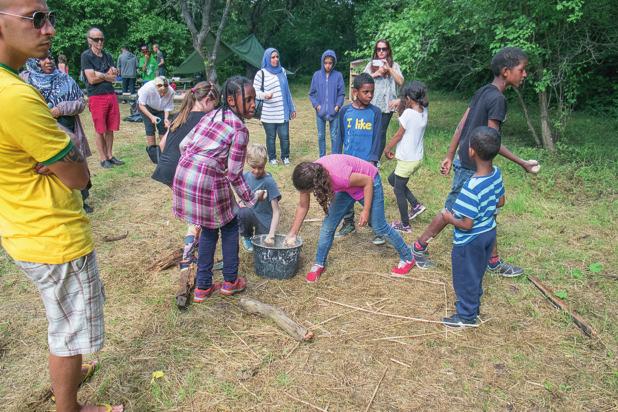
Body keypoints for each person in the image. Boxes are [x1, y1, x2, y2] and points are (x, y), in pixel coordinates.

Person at [0, 1, 122, 410]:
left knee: (62, 318)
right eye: (37, 19)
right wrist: (65, 147)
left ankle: (68, 371)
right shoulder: (15, 96)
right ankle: (69, 406)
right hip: (52, 235)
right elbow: (79, 176)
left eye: (50, 18)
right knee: (69, 330)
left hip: (21, 227)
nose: (49, 29)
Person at [412, 47, 538, 277]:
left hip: (467, 159)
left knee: (488, 212)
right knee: (452, 210)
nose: (525, 74)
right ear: (506, 71)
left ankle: (493, 261)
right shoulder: (498, 99)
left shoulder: (483, 91)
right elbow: (491, 140)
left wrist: (450, 155)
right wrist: (523, 163)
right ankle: (418, 247)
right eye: (522, 69)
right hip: (473, 166)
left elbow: (462, 124)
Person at [172, 76, 267, 301]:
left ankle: (203, 287)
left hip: (184, 171)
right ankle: (230, 281)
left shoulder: (212, 114)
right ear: (233, 101)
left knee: (209, 228)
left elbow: (183, 144)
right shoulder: (240, 130)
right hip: (207, 179)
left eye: (255, 99)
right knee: (231, 224)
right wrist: (250, 199)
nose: (254, 104)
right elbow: (234, 174)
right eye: (249, 99)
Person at [285, 154, 416, 283]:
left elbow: (367, 181)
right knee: (328, 226)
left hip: (369, 182)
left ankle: (408, 257)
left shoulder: (337, 176)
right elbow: (303, 206)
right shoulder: (310, 175)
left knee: (379, 226)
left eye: (307, 191)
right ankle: (319, 264)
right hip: (346, 188)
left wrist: (365, 211)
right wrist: (293, 233)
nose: (305, 193)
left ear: (314, 185)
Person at [440, 127, 505, 327]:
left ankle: (466, 316)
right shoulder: (496, 174)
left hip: (470, 240)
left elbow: (466, 224)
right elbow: (500, 202)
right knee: (476, 272)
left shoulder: (471, 187)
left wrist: (449, 218)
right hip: (488, 233)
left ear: (471, 152)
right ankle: (473, 305)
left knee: (465, 276)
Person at [152, 81, 220, 269]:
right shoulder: (204, 120)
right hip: (179, 171)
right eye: (215, 103)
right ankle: (187, 259)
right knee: (197, 216)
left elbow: (163, 145)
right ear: (207, 100)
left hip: (165, 168)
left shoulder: (181, 115)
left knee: (194, 214)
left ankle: (191, 252)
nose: (215, 108)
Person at [21, 54, 95, 214]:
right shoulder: (24, 81)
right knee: (48, 167)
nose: (48, 61)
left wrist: (60, 109)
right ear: (33, 62)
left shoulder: (65, 79)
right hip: (40, 131)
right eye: (42, 59)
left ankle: (81, 200)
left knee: (72, 163)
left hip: (68, 127)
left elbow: (80, 102)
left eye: (50, 58)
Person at [332, 73, 384, 245]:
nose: (369, 95)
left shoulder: (376, 113)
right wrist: (335, 157)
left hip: (367, 164)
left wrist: (373, 159)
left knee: (373, 196)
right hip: (347, 163)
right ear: (355, 92)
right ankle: (348, 223)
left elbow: (378, 138)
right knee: (345, 192)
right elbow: (339, 136)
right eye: (365, 92)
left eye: (371, 92)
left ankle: (377, 229)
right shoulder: (345, 111)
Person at [383, 80, 429, 232]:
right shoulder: (424, 110)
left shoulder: (408, 113)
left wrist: (387, 148)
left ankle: (405, 225)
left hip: (407, 159)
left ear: (408, 98)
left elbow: (398, 135)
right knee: (392, 179)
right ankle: (415, 205)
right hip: (417, 158)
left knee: (398, 190)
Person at [81, 27, 124, 169]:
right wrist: (105, 75)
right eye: (96, 39)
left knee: (110, 128)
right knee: (100, 129)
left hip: (110, 94)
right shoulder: (86, 56)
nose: (100, 42)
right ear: (89, 40)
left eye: (102, 39)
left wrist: (100, 74)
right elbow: (91, 80)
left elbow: (114, 78)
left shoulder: (107, 55)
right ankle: (102, 158)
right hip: (96, 96)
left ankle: (110, 155)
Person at [363, 39, 404, 164]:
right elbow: (361, 80)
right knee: (369, 130)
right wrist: (376, 73)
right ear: (376, 51)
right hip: (372, 104)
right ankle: (367, 156)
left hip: (387, 105)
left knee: (381, 132)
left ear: (388, 50)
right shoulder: (370, 65)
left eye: (384, 49)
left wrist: (389, 69)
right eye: (378, 49)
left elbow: (401, 82)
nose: (381, 51)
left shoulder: (394, 65)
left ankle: (376, 160)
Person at [253, 48, 296, 165]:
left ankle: (285, 157)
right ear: (267, 58)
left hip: (282, 112)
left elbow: (287, 91)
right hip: (268, 113)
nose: (276, 59)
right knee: (271, 138)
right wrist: (265, 95)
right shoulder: (261, 73)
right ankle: (272, 158)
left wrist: (292, 108)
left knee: (285, 137)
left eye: (277, 57)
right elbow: (254, 92)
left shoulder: (282, 71)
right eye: (273, 57)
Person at [238, 143, 282, 252]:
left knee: (263, 246)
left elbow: (276, 211)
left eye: (260, 167)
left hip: (264, 218)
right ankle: (247, 236)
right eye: (254, 167)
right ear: (247, 162)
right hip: (250, 213)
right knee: (242, 212)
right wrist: (241, 202)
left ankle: (262, 233)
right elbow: (241, 198)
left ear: (265, 163)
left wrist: (271, 234)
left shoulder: (269, 182)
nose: (257, 171)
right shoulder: (245, 177)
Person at [309, 49, 345, 158]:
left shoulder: (338, 76)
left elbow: (341, 93)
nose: (328, 65)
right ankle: (322, 157)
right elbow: (311, 93)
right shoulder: (316, 75)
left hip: (334, 112)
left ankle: (335, 157)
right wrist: (317, 106)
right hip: (320, 112)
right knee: (321, 136)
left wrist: (338, 106)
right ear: (322, 62)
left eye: (330, 63)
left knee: (334, 136)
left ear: (333, 63)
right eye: (325, 63)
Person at [137, 75, 174, 163]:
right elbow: (141, 105)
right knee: (150, 127)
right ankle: (153, 152)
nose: (163, 94)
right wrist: (151, 116)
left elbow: (168, 107)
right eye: (161, 92)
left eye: (165, 92)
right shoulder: (148, 88)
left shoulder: (171, 91)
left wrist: (166, 118)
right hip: (146, 106)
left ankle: (164, 151)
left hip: (160, 109)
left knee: (163, 127)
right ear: (156, 87)